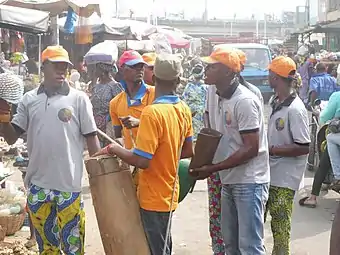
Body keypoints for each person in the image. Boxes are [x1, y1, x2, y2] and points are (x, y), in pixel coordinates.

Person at [0, 45, 101, 254]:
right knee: (47, 248)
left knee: (73, 247)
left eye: (65, 66)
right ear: (43, 67)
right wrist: (3, 114)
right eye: (56, 66)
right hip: (38, 187)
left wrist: (100, 175)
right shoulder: (29, 99)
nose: (61, 71)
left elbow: (92, 137)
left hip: (69, 187)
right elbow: (11, 138)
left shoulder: (78, 98)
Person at [95, 53, 194, 255]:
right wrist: (165, 157)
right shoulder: (182, 108)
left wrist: (114, 149)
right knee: (163, 245)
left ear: (154, 79)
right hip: (170, 189)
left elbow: (142, 160)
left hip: (152, 194)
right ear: (177, 80)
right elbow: (187, 150)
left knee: (156, 248)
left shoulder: (152, 112)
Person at [193, 47, 270, 255]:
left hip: (249, 182)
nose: (206, 70)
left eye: (212, 66)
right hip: (229, 180)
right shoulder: (216, 95)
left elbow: (251, 148)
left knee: (250, 246)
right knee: (231, 245)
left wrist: (214, 167)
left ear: (228, 72)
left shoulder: (244, 100)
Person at [266, 56, 310, 254]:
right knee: (272, 226)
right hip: (271, 174)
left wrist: (272, 150)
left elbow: (303, 146)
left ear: (276, 77)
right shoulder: (276, 101)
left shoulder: (295, 109)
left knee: (281, 229)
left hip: (285, 179)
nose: (267, 76)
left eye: (270, 73)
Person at [89, 61, 122, 146]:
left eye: (97, 68)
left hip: (109, 125)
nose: (94, 71)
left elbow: (120, 106)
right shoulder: (96, 86)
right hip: (96, 124)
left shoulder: (114, 86)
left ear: (102, 71)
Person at [182, 63, 207, 141]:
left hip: (191, 113)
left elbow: (184, 99)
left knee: (191, 134)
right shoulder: (206, 87)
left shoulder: (189, 86)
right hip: (202, 113)